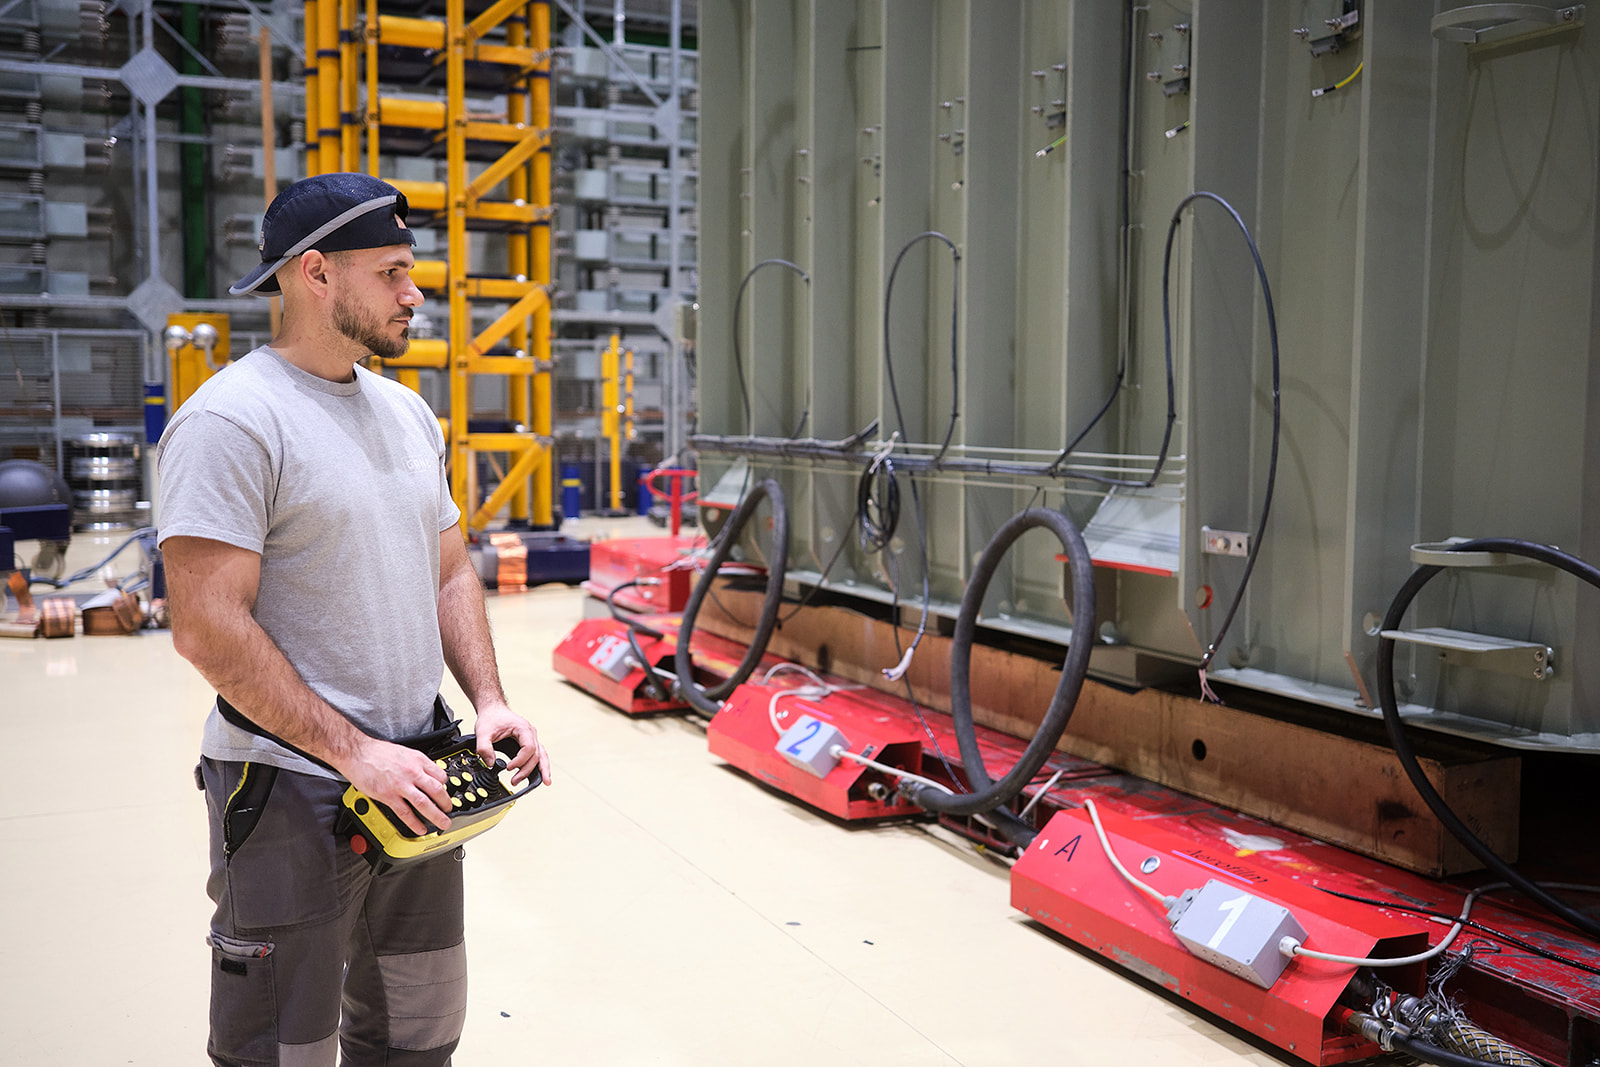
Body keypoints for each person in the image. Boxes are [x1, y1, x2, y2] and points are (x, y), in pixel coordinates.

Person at [157, 172, 552, 1067]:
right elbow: (206, 627)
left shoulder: (406, 413)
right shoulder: (233, 419)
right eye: (395, 271)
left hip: (417, 776)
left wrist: (488, 701)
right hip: (292, 790)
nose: (415, 293)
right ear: (317, 274)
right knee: (281, 1048)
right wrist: (353, 754)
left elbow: (448, 569)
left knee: (416, 1035)